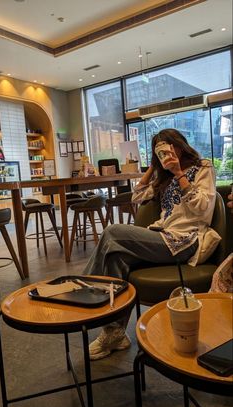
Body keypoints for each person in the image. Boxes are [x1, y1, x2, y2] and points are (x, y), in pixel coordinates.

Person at [83, 128, 217, 360]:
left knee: (113, 232)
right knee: (116, 256)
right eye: (160, 150)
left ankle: (84, 290)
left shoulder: (203, 167)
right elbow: (137, 196)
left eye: (168, 147)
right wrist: (155, 167)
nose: (167, 153)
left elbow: (203, 209)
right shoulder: (162, 175)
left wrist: (179, 174)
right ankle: (115, 333)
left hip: (186, 240)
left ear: (179, 145)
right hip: (161, 235)